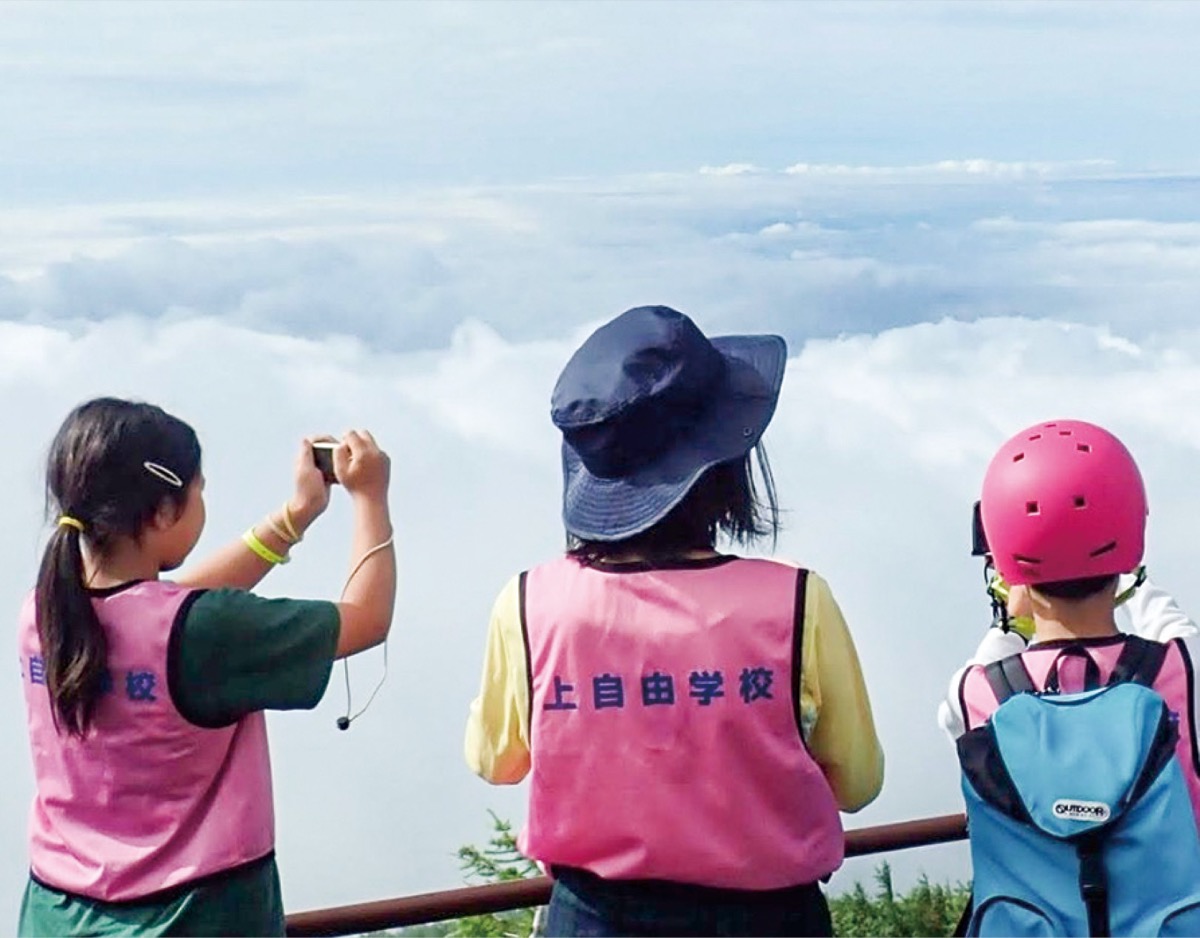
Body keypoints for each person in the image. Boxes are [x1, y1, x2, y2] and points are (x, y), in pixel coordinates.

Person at [464, 305, 884, 937]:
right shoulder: (798, 601)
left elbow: (496, 760)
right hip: (770, 920)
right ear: (726, 462)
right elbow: (858, 782)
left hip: (595, 918)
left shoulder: (528, 603)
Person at [17, 397, 395, 937]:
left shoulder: (43, 612)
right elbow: (367, 619)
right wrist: (370, 498)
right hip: (195, 915)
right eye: (198, 492)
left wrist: (296, 517)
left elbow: (164, 607)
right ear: (165, 511)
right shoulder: (205, 632)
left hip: (58, 912)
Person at [940, 419, 1200, 936]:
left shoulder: (973, 692)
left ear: (1006, 565)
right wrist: (1133, 573)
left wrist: (1010, 618)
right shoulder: (1181, 671)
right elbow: (1173, 628)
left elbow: (987, 662)